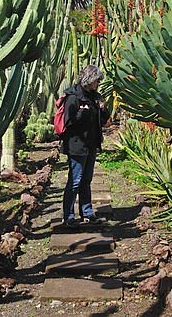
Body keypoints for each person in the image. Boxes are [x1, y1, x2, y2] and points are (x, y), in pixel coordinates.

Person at [60, 65, 110, 227]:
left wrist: (103, 110)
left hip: (91, 145)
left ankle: (87, 212)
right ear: (88, 80)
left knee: (86, 180)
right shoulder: (73, 97)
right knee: (75, 181)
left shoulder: (94, 97)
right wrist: (83, 113)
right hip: (76, 145)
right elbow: (69, 121)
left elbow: (102, 120)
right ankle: (68, 216)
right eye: (96, 81)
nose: (98, 84)